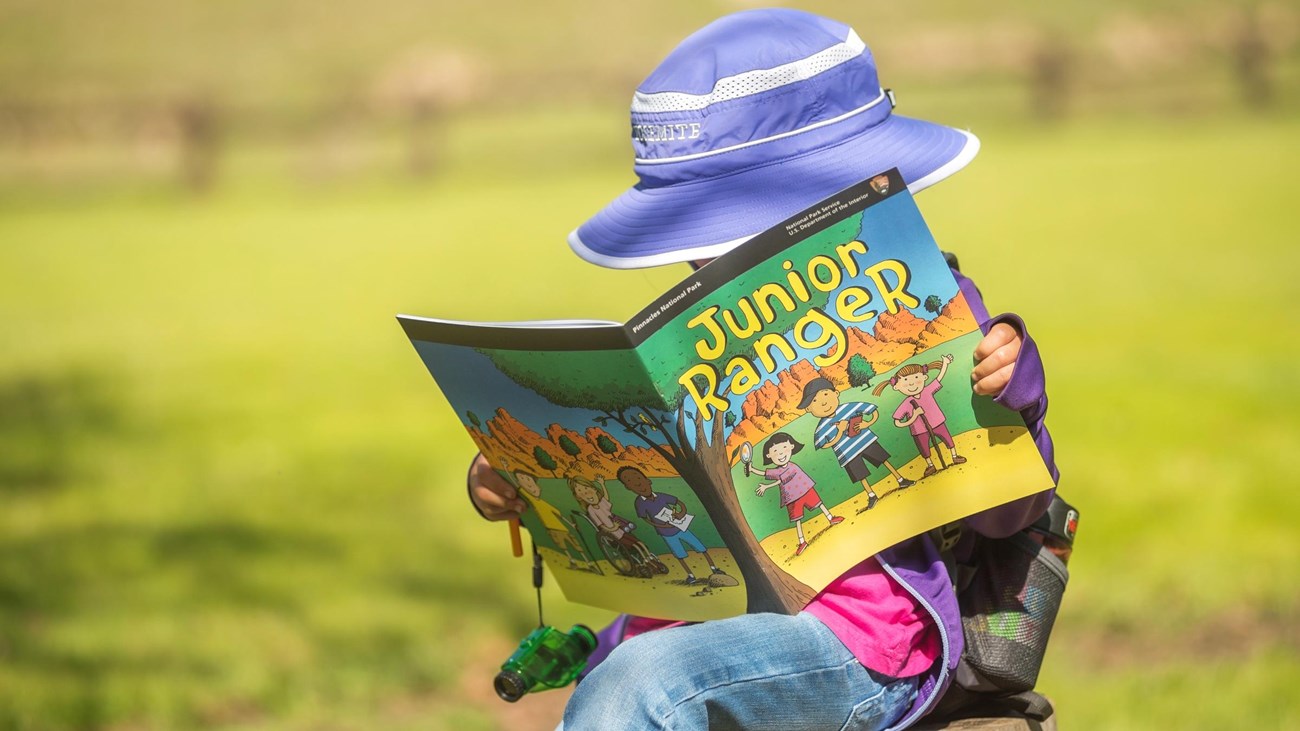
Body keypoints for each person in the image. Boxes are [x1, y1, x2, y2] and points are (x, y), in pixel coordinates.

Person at [465, 9, 1058, 730]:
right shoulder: (689, 349)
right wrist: (516, 478)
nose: (703, 262)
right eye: (696, 244)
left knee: (641, 683)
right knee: (637, 674)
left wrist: (1010, 392)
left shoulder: (924, 306)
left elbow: (1012, 514)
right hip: (690, 632)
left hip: (856, 644)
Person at [800, 376, 915, 511]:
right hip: (848, 454)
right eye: (814, 401)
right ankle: (871, 495)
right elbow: (824, 445)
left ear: (836, 393)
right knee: (860, 475)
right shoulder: (821, 427)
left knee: (883, 460)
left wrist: (867, 423)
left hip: (866, 441)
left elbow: (873, 411)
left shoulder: (849, 407)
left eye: (825, 394)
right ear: (808, 409)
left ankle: (900, 479)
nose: (823, 403)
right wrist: (839, 432)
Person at [874, 355, 968, 477]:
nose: (912, 384)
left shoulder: (927, 391)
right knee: (924, 449)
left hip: (937, 422)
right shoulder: (906, 403)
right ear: (897, 387)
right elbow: (897, 422)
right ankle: (930, 465)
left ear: (924, 377)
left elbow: (938, 378)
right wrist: (914, 417)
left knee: (948, 440)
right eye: (906, 382)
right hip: (919, 431)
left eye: (916, 378)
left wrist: (945, 363)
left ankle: (955, 456)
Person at [753, 432, 843, 556]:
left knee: (819, 503)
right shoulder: (777, 470)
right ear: (769, 455)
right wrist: (752, 469)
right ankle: (802, 541)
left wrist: (766, 486)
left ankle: (830, 518)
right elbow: (765, 473)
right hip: (792, 498)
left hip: (805, 489)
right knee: (797, 520)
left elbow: (780, 480)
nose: (780, 454)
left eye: (784, 448)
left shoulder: (792, 467)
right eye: (775, 451)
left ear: (791, 446)